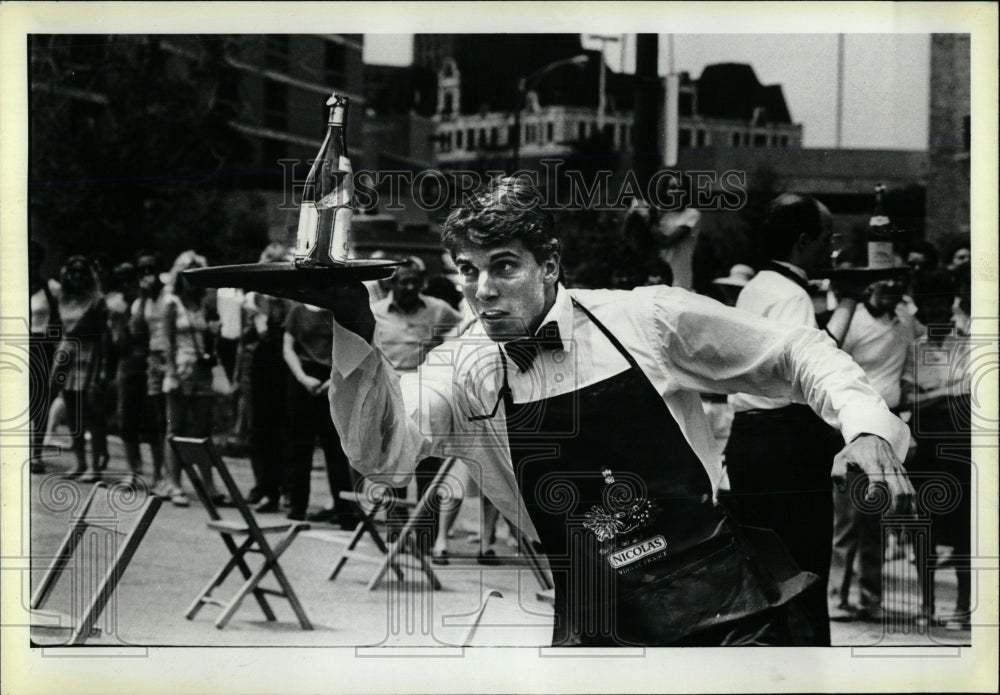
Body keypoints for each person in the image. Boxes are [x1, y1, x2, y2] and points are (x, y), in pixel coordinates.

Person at [276, 177, 912, 647]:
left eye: (504, 266)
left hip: (720, 603)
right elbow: (383, 454)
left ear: (549, 264)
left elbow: (796, 350)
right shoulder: (462, 365)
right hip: (593, 613)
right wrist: (352, 323)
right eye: (468, 271)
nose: (483, 290)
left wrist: (866, 427)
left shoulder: (645, 319)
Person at [722, 193, 864, 644]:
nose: (832, 250)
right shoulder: (790, 295)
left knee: (763, 572)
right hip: (787, 444)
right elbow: (809, 372)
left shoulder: (755, 288)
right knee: (803, 573)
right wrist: (846, 307)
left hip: (748, 441)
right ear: (804, 241)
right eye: (826, 239)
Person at [828, 263, 920, 623]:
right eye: (884, 281)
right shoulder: (850, 321)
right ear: (869, 286)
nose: (892, 287)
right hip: (850, 431)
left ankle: (871, 598)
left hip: (891, 427)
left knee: (877, 521)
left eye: (898, 282)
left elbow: (911, 369)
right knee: (846, 522)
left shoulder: (906, 322)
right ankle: (836, 597)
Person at [370, 257, 463, 554]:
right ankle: (396, 533)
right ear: (391, 283)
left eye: (415, 280)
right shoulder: (375, 313)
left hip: (426, 401)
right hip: (391, 401)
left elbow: (465, 329)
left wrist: (444, 352)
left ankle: (424, 537)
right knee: (395, 467)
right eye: (403, 280)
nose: (410, 286)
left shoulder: (437, 309)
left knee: (429, 468)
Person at [904, 269, 972, 630]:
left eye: (940, 302)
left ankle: (963, 607)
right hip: (926, 446)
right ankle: (926, 605)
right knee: (924, 528)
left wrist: (932, 399)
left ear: (951, 305)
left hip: (961, 444)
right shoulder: (914, 348)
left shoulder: (969, 345)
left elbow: (970, 398)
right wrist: (946, 395)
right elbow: (908, 399)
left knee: (963, 528)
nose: (934, 309)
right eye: (927, 303)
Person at [282, 298, 360, 526]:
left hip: (333, 378)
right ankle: (297, 507)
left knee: (335, 449)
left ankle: (344, 511)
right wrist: (302, 377)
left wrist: (333, 380)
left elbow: (351, 349)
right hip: (302, 379)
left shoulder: (339, 311)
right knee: (299, 447)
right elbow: (288, 348)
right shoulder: (297, 311)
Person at [163, 251, 227, 507]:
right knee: (175, 428)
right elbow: (166, 342)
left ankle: (208, 485)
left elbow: (212, 342)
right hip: (180, 367)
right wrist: (171, 373)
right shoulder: (172, 303)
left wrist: (214, 334)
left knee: (202, 429)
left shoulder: (204, 305)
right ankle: (174, 482)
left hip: (201, 370)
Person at [50, 255, 110, 482]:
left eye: (81, 272)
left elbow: (105, 335)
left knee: (92, 411)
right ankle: (80, 461)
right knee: (72, 409)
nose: (77, 276)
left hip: (90, 352)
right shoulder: (64, 297)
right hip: (68, 352)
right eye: (73, 272)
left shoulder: (97, 300)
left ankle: (95, 466)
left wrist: (104, 366)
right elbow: (61, 327)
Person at [243, 243, 291, 512]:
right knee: (260, 428)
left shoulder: (291, 297)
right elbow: (256, 334)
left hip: (284, 362)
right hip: (261, 362)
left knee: (285, 427)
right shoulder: (254, 298)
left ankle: (284, 486)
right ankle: (265, 486)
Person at [130, 252, 169, 494]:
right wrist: (144, 297)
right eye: (142, 272)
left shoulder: (169, 295)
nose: (147, 275)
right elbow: (135, 330)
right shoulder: (141, 301)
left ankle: (168, 474)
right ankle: (157, 473)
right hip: (154, 358)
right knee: (156, 419)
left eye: (150, 270)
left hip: (170, 356)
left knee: (169, 420)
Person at [107, 261, 145, 485]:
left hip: (146, 362)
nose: (126, 285)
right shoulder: (116, 305)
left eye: (130, 279)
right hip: (127, 363)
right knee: (126, 419)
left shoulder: (144, 302)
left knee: (151, 421)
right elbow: (117, 343)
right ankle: (134, 468)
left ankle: (158, 472)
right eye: (122, 280)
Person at [28, 241, 62, 474]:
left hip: (40, 346)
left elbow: (60, 320)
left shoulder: (51, 289)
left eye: (34, 259)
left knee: (39, 400)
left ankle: (35, 453)